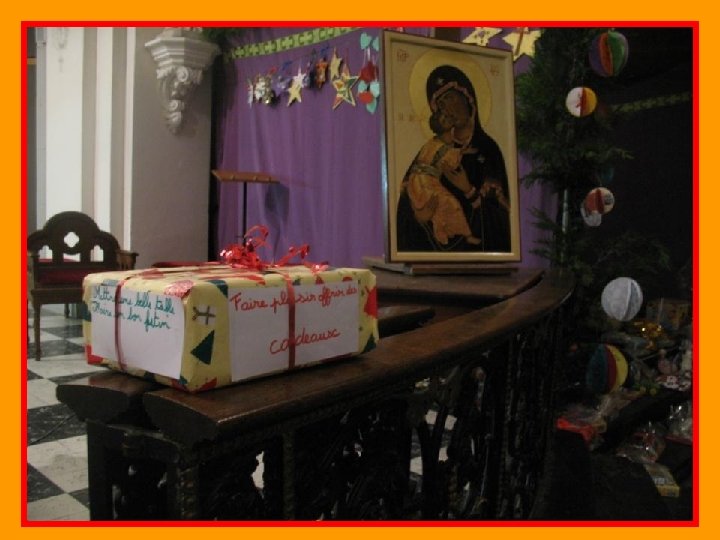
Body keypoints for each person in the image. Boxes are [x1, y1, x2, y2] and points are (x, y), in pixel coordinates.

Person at [396, 64, 511, 253]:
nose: (447, 109)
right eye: (440, 105)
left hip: (477, 260)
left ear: (468, 97)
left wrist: (468, 190)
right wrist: (420, 214)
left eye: (449, 98)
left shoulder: (488, 150)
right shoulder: (433, 148)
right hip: (432, 260)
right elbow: (407, 202)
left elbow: (500, 220)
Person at [404, 108, 482, 246]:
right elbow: (449, 161)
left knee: (444, 206)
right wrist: (419, 215)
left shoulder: (437, 143)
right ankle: (455, 233)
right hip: (425, 181)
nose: (450, 116)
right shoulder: (439, 145)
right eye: (445, 118)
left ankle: (448, 232)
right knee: (448, 204)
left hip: (420, 181)